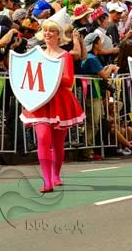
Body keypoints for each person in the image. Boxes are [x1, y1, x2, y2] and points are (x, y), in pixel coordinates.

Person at [19, 20, 86, 192]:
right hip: (40, 101)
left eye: (52, 31)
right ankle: (47, 181)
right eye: (45, 30)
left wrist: (51, 75)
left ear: (58, 35)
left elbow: (68, 80)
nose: (48, 33)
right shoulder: (37, 54)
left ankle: (55, 174)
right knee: (42, 138)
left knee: (57, 143)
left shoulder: (65, 55)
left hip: (59, 101)